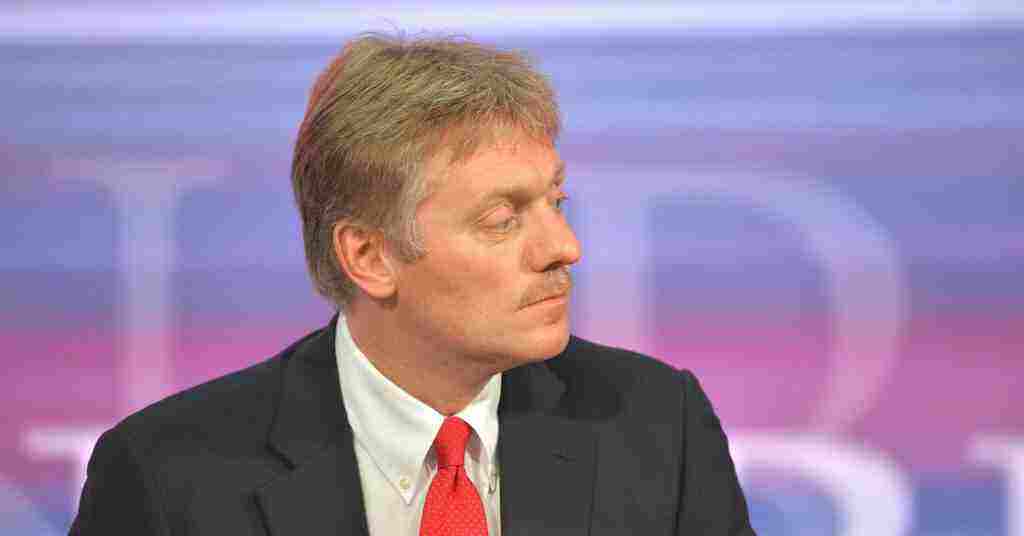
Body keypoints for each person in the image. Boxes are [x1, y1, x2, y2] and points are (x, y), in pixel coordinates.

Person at [70, 33, 755, 535]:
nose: (564, 248)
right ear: (369, 256)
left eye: (557, 201)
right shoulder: (169, 477)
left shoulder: (657, 427)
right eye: (503, 220)